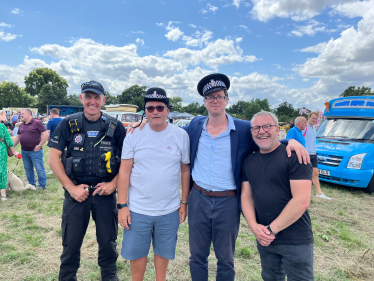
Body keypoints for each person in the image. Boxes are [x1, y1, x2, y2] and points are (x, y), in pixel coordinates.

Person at [132, 74, 309, 281]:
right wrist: (143, 122)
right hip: (199, 198)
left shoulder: (243, 129)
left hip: (228, 201)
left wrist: (289, 141)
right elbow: (168, 131)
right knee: (197, 256)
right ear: (204, 102)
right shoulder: (195, 126)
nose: (214, 100)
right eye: (210, 97)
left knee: (225, 258)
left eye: (219, 96)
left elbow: (265, 138)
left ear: (226, 99)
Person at [48, 80, 126, 281]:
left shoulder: (115, 126)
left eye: (97, 97)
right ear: (81, 98)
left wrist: (113, 184)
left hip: (105, 194)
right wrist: (71, 188)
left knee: (108, 244)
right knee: (70, 245)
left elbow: (128, 161)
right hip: (76, 195)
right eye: (88, 97)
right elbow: (53, 157)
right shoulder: (68, 123)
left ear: (103, 100)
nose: (92, 101)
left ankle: (109, 277)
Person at [118, 87, 190, 281]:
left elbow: (185, 170)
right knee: (137, 254)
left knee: (163, 253)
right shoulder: (133, 135)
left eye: (160, 107)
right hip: (137, 208)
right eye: (150, 108)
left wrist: (184, 202)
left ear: (167, 110)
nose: (155, 112)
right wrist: (122, 205)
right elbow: (124, 171)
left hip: (169, 209)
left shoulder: (181, 135)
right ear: (145, 112)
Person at [241, 111, 314, 281]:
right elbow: (246, 196)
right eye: (256, 128)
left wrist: (271, 230)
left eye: (267, 126)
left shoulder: (295, 156)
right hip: (265, 240)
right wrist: (254, 227)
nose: (262, 131)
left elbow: (301, 200)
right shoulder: (248, 161)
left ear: (278, 129)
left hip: (295, 239)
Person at [12, 109, 48, 190]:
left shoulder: (37, 123)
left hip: (35, 151)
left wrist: (40, 145)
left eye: (22, 114)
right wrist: (12, 147)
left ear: (29, 114)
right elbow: (18, 137)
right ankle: (31, 184)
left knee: (39, 169)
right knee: (28, 169)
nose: (21, 115)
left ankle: (42, 185)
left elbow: (45, 134)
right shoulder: (21, 125)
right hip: (24, 151)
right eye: (20, 114)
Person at [303, 111, 331, 200]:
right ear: (309, 117)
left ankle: (319, 193)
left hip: (313, 154)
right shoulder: (304, 127)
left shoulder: (314, 128)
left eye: (316, 119)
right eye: (313, 118)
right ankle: (302, 193)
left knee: (315, 174)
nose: (315, 120)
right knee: (304, 175)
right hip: (306, 153)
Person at [0, 122, 20, 200]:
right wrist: (14, 152)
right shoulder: (2, 126)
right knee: (2, 171)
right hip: (1, 150)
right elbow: (8, 140)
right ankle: (3, 195)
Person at [46, 108, 63, 175]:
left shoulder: (50, 122)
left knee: (53, 157)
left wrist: (48, 141)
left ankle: (54, 171)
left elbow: (47, 132)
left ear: (52, 113)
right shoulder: (63, 120)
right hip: (62, 140)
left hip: (53, 141)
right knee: (63, 156)